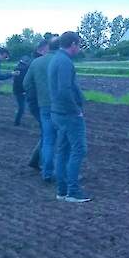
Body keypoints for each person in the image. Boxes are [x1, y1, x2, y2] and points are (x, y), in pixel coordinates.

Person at [48, 31, 90, 202]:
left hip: (57, 112)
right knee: (79, 150)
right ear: (73, 44)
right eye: (78, 44)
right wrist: (76, 110)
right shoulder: (65, 62)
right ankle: (73, 191)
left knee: (63, 150)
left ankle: (62, 191)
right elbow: (65, 89)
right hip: (68, 114)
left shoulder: (56, 59)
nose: (79, 48)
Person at [23, 37, 56, 181]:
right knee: (54, 138)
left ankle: (35, 161)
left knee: (46, 135)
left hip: (39, 105)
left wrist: (35, 98)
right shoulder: (58, 61)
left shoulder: (35, 63)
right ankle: (51, 170)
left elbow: (26, 84)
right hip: (53, 105)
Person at [12, 49, 33, 126]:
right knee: (22, 107)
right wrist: (23, 90)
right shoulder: (23, 69)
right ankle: (16, 122)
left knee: (23, 106)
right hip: (21, 91)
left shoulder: (18, 67)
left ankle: (17, 121)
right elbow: (21, 81)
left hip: (18, 90)